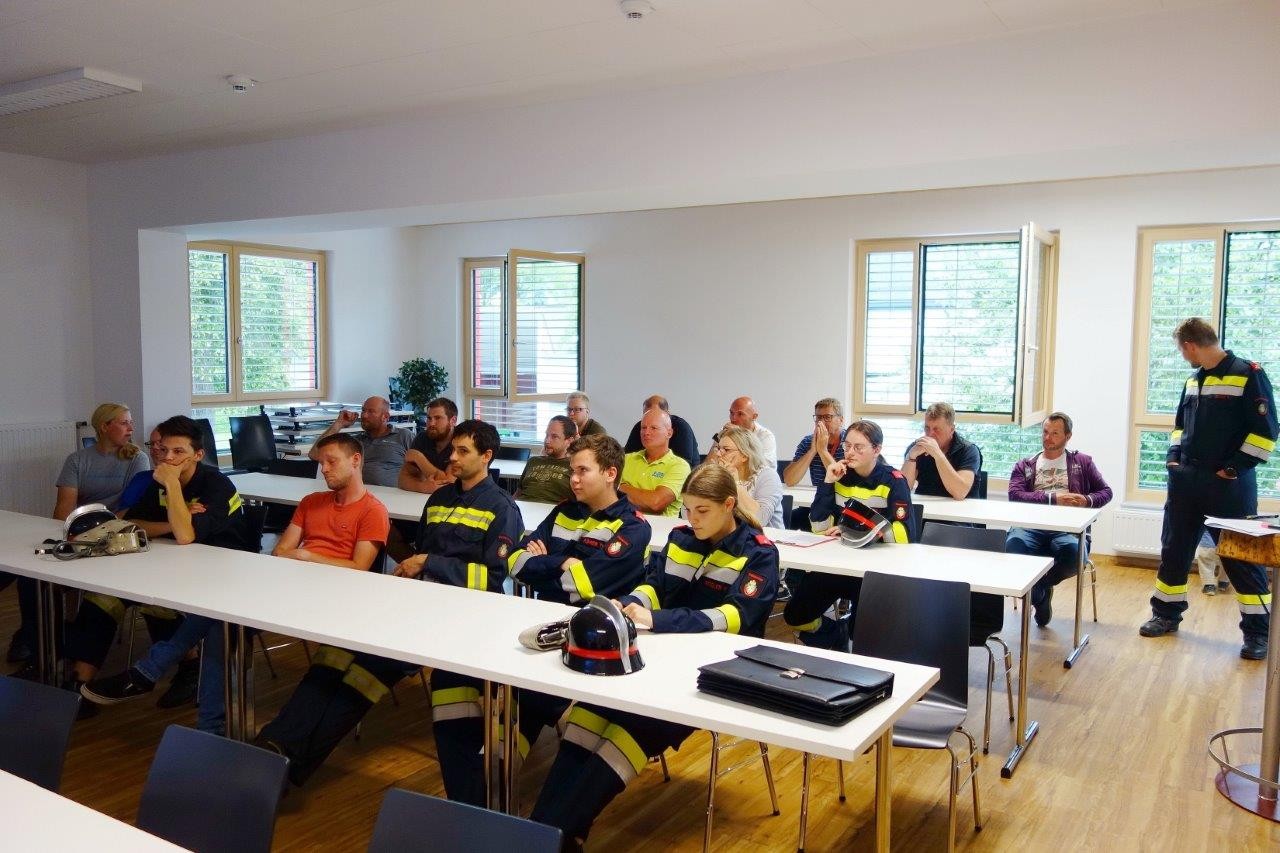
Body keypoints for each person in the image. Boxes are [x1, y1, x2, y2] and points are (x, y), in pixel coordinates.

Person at [528, 464, 779, 848]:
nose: (693, 520)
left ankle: (558, 835)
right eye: (688, 509)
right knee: (586, 714)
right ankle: (544, 831)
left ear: (729, 505)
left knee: (627, 730)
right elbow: (654, 587)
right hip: (659, 659)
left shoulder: (759, 554)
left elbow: (734, 618)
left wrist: (657, 620)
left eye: (702, 511)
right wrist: (628, 602)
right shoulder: (680, 537)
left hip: (710, 675)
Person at [84, 432, 385, 737]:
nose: (324, 469)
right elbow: (281, 551)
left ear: (355, 460)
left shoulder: (372, 510)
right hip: (288, 586)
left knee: (221, 617)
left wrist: (307, 555)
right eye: (321, 463)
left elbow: (359, 567)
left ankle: (153, 677)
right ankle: (207, 726)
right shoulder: (312, 502)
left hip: (331, 598)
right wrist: (298, 558)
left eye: (331, 462)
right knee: (221, 619)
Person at [436, 434, 650, 806]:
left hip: (588, 643)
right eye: (572, 471)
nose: (573, 479)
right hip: (539, 631)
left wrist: (546, 563)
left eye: (583, 471)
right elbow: (515, 564)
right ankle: (479, 800)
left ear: (610, 473)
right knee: (451, 675)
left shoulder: (633, 527)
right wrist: (563, 562)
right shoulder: (564, 510)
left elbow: (581, 586)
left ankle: (481, 802)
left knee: (526, 700)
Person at [65, 416, 253, 719]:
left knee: (156, 599)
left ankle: (187, 669)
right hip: (172, 565)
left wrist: (173, 489)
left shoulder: (215, 484)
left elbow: (186, 536)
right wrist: (173, 521)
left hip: (224, 574)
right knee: (101, 598)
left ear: (198, 455)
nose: (167, 458)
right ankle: (78, 685)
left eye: (178, 452)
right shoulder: (158, 481)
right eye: (163, 450)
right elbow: (132, 522)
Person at [389, 420, 524, 802]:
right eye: (453, 450)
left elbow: (493, 579)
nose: (453, 457)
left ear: (487, 456)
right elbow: (418, 552)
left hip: (469, 618)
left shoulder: (502, 508)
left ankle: (468, 804)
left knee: (450, 699)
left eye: (463, 451)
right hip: (421, 607)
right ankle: (283, 751)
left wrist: (430, 562)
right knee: (352, 659)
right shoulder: (439, 499)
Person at [1139, 317, 1277, 660]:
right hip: (1185, 482)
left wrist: (1233, 468)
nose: (1184, 356)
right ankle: (1165, 615)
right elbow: (1179, 427)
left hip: (1228, 487)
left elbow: (1266, 432)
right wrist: (1173, 459)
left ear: (1190, 346)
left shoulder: (1248, 374)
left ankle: (1258, 634)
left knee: (1240, 559)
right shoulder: (1193, 379)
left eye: (1182, 350)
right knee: (1174, 551)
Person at [5, 403, 150, 668]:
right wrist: (71, 534)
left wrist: (97, 532)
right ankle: (37, 639)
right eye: (124, 422)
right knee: (31, 577)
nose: (131, 428)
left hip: (113, 535)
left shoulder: (137, 459)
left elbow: (130, 508)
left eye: (131, 422)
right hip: (79, 532)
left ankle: (47, 641)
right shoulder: (78, 460)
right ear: (104, 426)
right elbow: (64, 508)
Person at [783, 420, 916, 649]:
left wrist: (854, 530)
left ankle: (848, 636)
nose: (850, 452)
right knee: (795, 615)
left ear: (876, 449)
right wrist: (828, 482)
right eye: (847, 446)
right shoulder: (839, 474)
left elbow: (905, 534)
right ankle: (834, 632)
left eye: (858, 447)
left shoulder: (894, 481)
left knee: (860, 631)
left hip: (872, 571)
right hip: (837, 564)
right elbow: (819, 527)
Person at [1004, 412, 1113, 626]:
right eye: (1045, 432)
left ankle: (1040, 589)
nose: (1048, 437)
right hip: (1030, 526)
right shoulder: (1025, 465)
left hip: (1067, 528)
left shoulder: (1082, 462)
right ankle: (1040, 598)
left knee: (1074, 555)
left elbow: (1106, 492)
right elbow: (1015, 495)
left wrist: (1086, 500)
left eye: (1055, 433)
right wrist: (1052, 498)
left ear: (1068, 436)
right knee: (1012, 549)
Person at [311, 396, 410, 487]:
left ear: (385, 417)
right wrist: (339, 424)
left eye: (371, 412)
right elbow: (314, 454)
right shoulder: (355, 442)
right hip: (359, 494)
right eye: (363, 410)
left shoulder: (403, 436)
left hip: (395, 495)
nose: (364, 415)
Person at [902, 402, 983, 499]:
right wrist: (911, 457)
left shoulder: (969, 450)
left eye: (937, 429)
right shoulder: (917, 447)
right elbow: (902, 489)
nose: (930, 434)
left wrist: (937, 454)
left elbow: (960, 493)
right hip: (927, 504)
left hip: (962, 507)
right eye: (927, 428)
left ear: (951, 430)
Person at [619, 409, 691, 518]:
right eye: (643, 428)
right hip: (621, 523)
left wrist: (618, 487)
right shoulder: (625, 459)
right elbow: (605, 493)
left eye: (654, 428)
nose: (646, 432)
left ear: (669, 433)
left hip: (659, 528)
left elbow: (655, 503)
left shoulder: (680, 466)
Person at [709, 425, 784, 528]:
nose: (718, 454)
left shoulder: (768, 476)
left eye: (726, 449)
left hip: (765, 536)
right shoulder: (720, 475)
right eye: (718, 448)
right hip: (731, 534)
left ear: (745, 455)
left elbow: (759, 520)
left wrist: (735, 483)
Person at [398, 397, 459, 494]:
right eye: (429, 418)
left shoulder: (460, 441)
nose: (431, 423)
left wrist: (419, 458)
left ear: (453, 420)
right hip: (421, 498)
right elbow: (403, 480)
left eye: (438, 418)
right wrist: (422, 487)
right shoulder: (422, 437)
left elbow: (449, 485)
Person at [782, 397, 845, 487]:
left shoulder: (850, 442)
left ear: (841, 420)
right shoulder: (807, 442)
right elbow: (789, 481)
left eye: (827, 417)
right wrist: (812, 451)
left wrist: (823, 451)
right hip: (819, 495)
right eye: (818, 417)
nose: (821, 422)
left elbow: (842, 483)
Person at [623, 395, 700, 468]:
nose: (646, 432)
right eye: (646, 414)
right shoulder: (639, 426)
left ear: (667, 413)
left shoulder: (681, 427)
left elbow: (685, 463)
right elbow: (627, 455)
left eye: (655, 414)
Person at [516, 415, 578, 504]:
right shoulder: (533, 461)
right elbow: (518, 493)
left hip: (553, 510)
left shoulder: (574, 466)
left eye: (554, 436)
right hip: (521, 508)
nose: (547, 441)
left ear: (569, 441)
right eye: (547, 435)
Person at [713, 396, 777, 466]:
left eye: (740, 414)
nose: (733, 418)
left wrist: (738, 434)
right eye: (731, 413)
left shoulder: (766, 436)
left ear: (754, 417)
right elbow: (709, 463)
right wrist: (719, 438)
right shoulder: (726, 431)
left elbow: (762, 466)